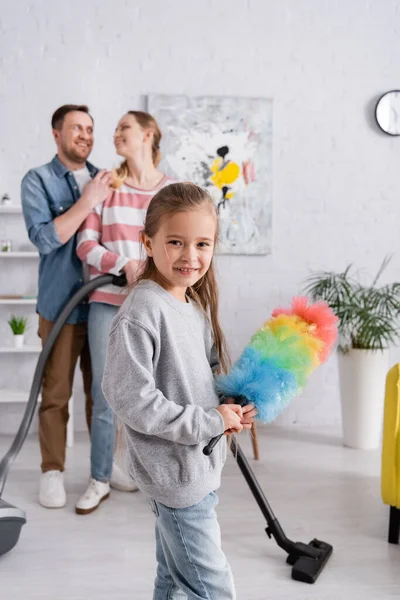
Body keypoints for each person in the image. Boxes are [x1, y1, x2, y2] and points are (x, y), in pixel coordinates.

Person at [102, 182, 257, 599]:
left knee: (173, 577)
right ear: (148, 243)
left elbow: (203, 373)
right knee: (212, 588)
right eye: (176, 242)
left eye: (202, 243)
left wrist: (225, 404)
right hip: (175, 475)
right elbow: (130, 398)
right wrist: (208, 421)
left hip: (195, 466)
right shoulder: (142, 312)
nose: (191, 256)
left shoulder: (192, 304)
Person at [75, 111, 175, 514]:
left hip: (154, 306)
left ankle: (158, 477)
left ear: (148, 135)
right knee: (105, 394)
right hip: (107, 302)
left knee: (155, 394)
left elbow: (176, 244)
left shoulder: (172, 191)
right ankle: (99, 478)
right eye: (114, 129)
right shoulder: (107, 186)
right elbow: (86, 244)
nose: (115, 134)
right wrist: (123, 265)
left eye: (124, 128)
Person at [21, 104, 112, 509]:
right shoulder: (37, 181)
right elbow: (46, 239)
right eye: (76, 128)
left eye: (90, 128)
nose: (85, 135)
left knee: (104, 394)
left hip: (103, 304)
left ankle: (104, 469)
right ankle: (52, 471)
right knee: (55, 394)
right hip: (60, 305)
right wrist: (88, 201)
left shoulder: (107, 179)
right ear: (56, 133)